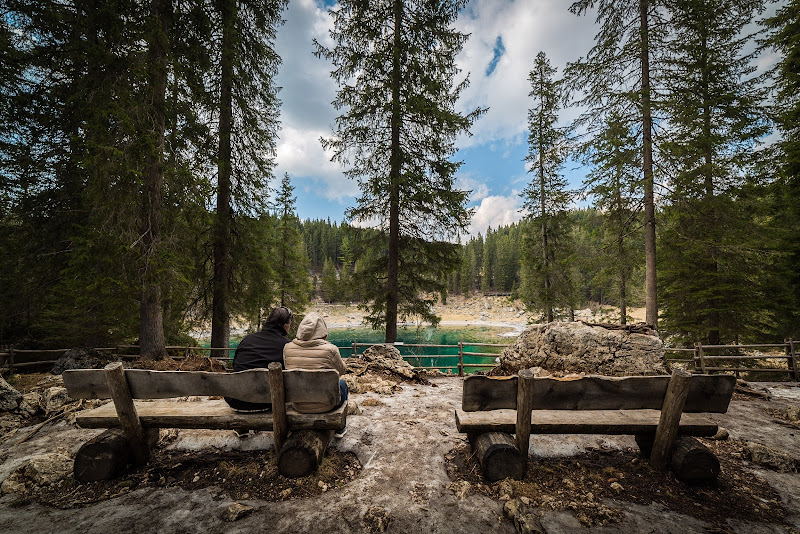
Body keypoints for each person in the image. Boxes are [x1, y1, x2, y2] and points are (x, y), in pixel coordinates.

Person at [283, 311, 349, 437]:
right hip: (326, 405)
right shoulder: (330, 350)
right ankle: (340, 428)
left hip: (298, 404)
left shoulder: (287, 348)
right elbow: (342, 371)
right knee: (343, 384)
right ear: (322, 330)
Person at [224, 306, 293, 412]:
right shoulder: (286, 345)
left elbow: (235, 366)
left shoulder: (247, 340)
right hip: (266, 402)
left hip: (236, 401)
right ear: (285, 325)